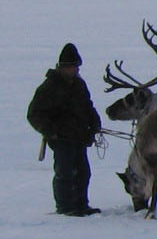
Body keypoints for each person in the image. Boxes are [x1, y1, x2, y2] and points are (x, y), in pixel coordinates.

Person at [26, 42, 103, 216]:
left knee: (83, 172)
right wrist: (51, 131)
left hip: (80, 136)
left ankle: (81, 204)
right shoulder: (48, 88)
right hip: (61, 139)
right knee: (65, 173)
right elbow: (34, 114)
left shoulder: (79, 85)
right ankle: (66, 207)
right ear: (62, 67)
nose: (76, 70)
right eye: (73, 67)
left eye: (77, 66)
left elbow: (87, 106)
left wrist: (95, 123)